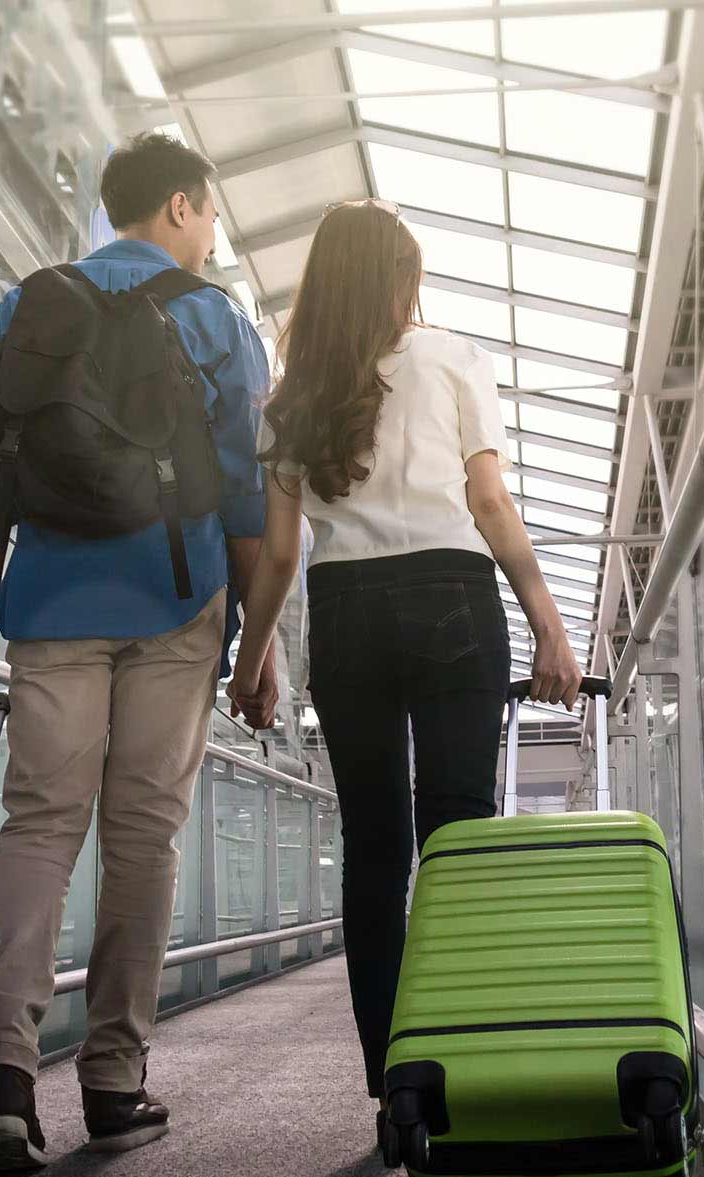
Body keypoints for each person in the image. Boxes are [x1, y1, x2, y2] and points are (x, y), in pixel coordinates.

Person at [0, 132, 274, 1168]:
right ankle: (115, 1076)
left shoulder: (31, 301)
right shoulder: (213, 317)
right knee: (143, 835)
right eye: (209, 214)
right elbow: (246, 490)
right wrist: (257, 638)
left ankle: (3, 1074)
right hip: (176, 600)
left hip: (47, 599)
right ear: (178, 207)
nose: (212, 234)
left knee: (39, 826)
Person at [225, 200, 582, 1113]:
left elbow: (278, 554)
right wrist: (547, 621)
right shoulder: (452, 357)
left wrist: (252, 658)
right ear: (401, 280)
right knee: (456, 835)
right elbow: (491, 505)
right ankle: (458, 1052)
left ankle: (394, 1082)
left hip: (345, 611)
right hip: (453, 596)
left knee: (375, 851)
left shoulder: (289, 397)